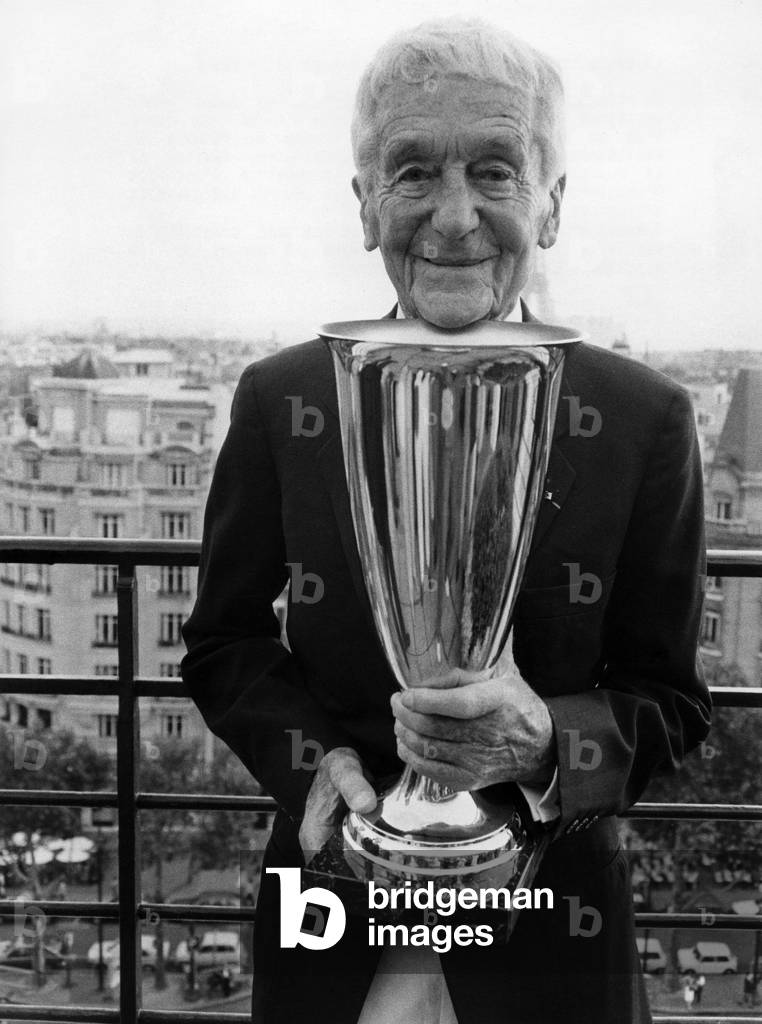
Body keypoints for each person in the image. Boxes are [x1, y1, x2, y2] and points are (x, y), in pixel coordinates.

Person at [182, 18, 710, 1024]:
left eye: (496, 170)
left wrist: (545, 742)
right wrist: (316, 769)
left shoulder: (644, 418)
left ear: (552, 204)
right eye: (413, 170)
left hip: (553, 934)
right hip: (332, 917)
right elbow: (224, 643)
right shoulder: (281, 398)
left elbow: (671, 698)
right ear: (367, 202)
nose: (454, 215)